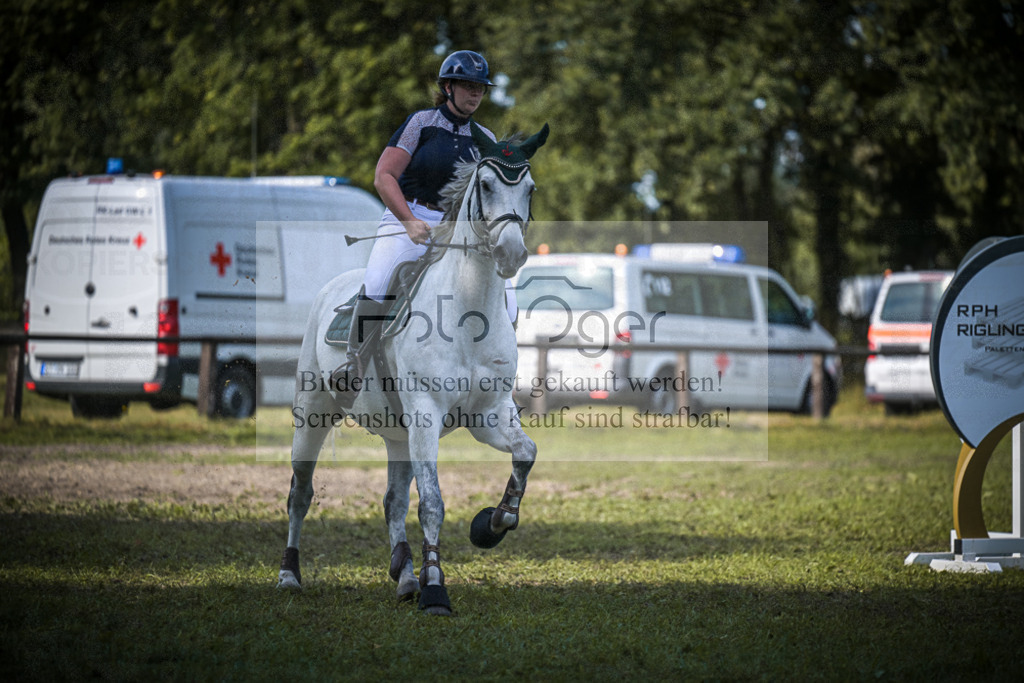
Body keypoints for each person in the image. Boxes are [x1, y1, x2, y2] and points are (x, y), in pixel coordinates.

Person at [333, 49, 511, 408]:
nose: (475, 93)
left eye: (480, 87)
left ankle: (497, 378)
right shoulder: (422, 123)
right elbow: (384, 176)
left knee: (508, 296)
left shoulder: (485, 137)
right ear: (448, 87)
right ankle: (354, 364)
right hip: (408, 216)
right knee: (379, 280)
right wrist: (409, 221)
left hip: (456, 230)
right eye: (468, 86)